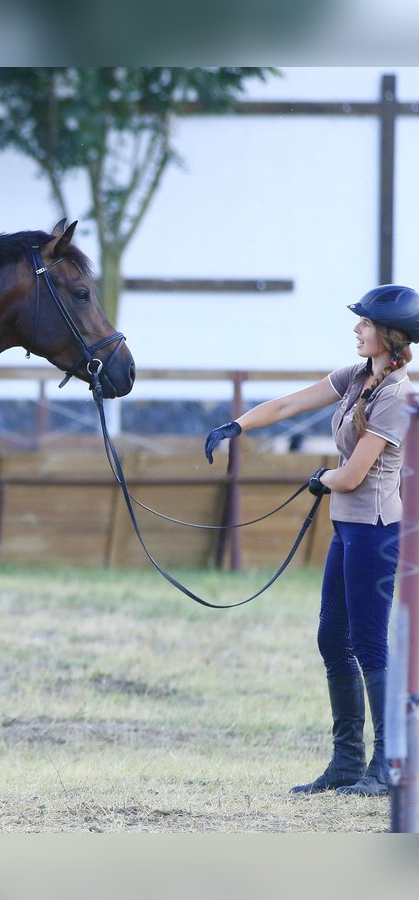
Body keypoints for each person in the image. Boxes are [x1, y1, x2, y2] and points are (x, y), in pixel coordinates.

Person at [205, 284, 419, 797]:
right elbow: (293, 403)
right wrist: (237, 425)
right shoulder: (358, 378)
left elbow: (352, 477)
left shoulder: (396, 396)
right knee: (332, 638)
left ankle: (389, 763)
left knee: (368, 643)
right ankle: (347, 761)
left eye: (365, 323)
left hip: (375, 531)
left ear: (390, 336)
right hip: (348, 529)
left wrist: (321, 476)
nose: (356, 329)